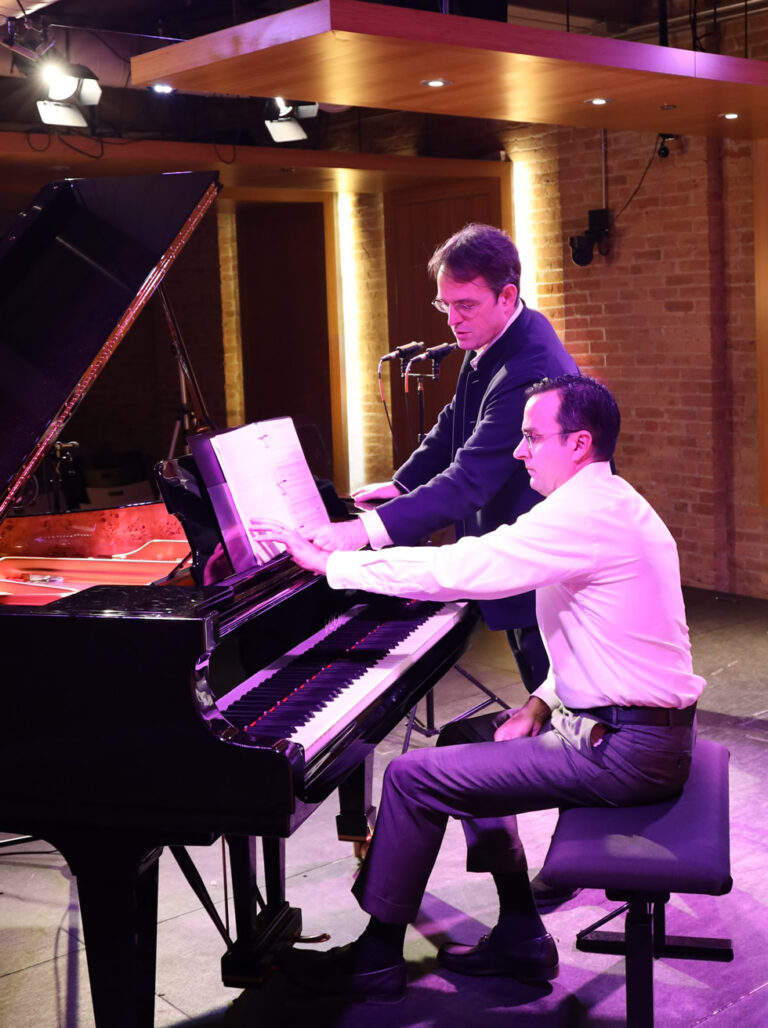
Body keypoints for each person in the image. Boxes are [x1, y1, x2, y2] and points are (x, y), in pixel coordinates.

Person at [250, 374, 705, 1003]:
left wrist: (334, 563)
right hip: (629, 730)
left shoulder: (583, 515)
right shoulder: (611, 503)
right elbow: (603, 638)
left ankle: (375, 958)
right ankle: (521, 932)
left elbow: (463, 566)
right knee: (468, 735)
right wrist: (539, 702)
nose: (519, 451)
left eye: (531, 437)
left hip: (627, 751)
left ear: (578, 444)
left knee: (413, 778)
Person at [311, 223, 579, 694]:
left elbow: (470, 479)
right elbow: (455, 418)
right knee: (545, 694)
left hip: (544, 557)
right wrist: (403, 483)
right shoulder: (500, 336)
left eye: (465, 305)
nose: (452, 319)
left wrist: (359, 533)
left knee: (560, 696)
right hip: (520, 546)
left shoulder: (528, 365)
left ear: (507, 295)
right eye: (446, 305)